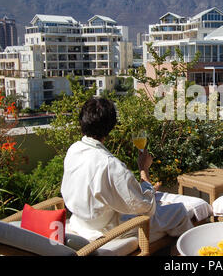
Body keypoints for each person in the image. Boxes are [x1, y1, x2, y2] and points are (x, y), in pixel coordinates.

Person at [61, 98, 193, 242]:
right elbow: (147, 207)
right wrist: (144, 170)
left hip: (80, 222)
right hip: (106, 231)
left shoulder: (74, 149)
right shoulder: (109, 164)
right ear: (111, 126)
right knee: (179, 211)